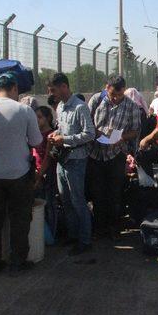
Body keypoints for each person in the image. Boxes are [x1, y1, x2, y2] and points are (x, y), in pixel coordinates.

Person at [0, 73, 43, 276]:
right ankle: (17, 261)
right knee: (20, 217)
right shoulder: (24, 110)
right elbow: (36, 141)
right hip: (18, 173)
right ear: (14, 88)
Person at [48, 73, 96, 256]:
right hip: (62, 160)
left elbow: (90, 134)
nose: (52, 94)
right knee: (66, 200)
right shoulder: (60, 106)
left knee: (78, 201)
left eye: (53, 90)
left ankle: (85, 239)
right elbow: (61, 127)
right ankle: (73, 234)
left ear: (64, 87)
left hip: (76, 160)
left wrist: (65, 139)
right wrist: (56, 134)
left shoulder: (80, 107)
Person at [87, 76, 141, 239]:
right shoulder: (96, 100)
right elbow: (87, 122)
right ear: (106, 88)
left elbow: (135, 131)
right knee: (97, 194)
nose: (116, 98)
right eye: (112, 95)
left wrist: (121, 137)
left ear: (124, 90)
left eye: (119, 95)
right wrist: (97, 133)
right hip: (95, 154)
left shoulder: (131, 106)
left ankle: (113, 228)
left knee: (115, 193)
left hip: (116, 155)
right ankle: (99, 228)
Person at [32, 106, 58, 243]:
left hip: (47, 173)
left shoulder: (51, 135)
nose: (37, 120)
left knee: (50, 203)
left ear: (48, 118)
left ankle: (52, 235)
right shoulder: (34, 134)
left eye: (40, 117)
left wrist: (40, 174)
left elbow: (48, 157)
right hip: (37, 173)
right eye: (35, 117)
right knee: (40, 203)